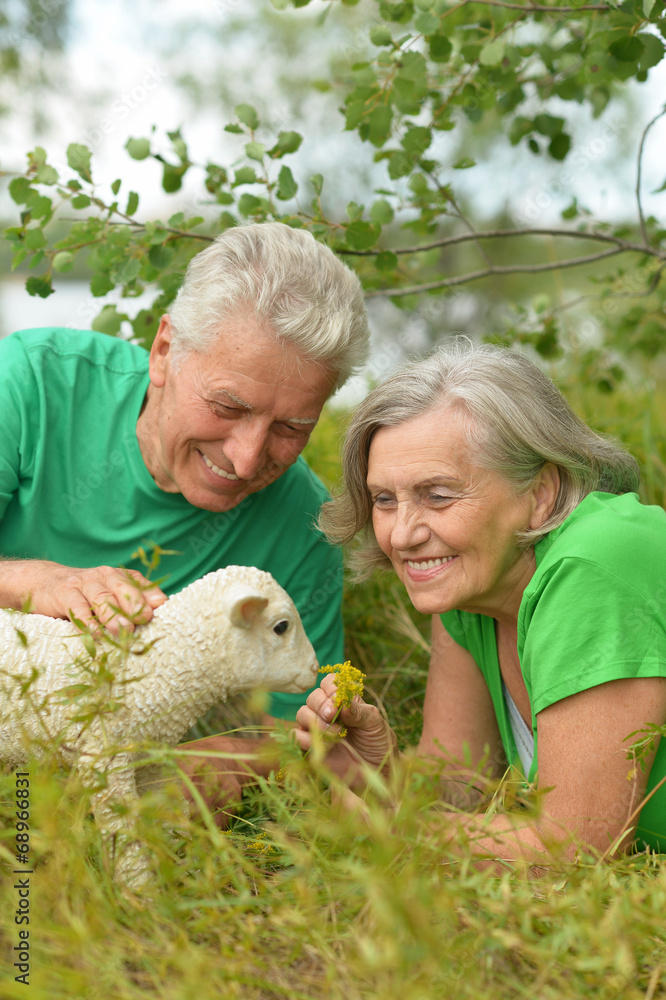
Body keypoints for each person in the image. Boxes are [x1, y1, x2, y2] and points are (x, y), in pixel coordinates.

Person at [0, 221, 370, 822]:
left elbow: (300, 728)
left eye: (290, 429)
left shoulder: (307, 526)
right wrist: (34, 582)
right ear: (165, 352)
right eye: (227, 407)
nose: (247, 458)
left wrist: (239, 756)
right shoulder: (30, 384)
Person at [295, 341, 666, 862]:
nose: (401, 535)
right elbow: (463, 789)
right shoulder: (473, 594)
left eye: (438, 495)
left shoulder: (594, 563)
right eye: (384, 499)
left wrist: (390, 829)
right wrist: (379, 776)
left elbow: (577, 852)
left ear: (541, 493)